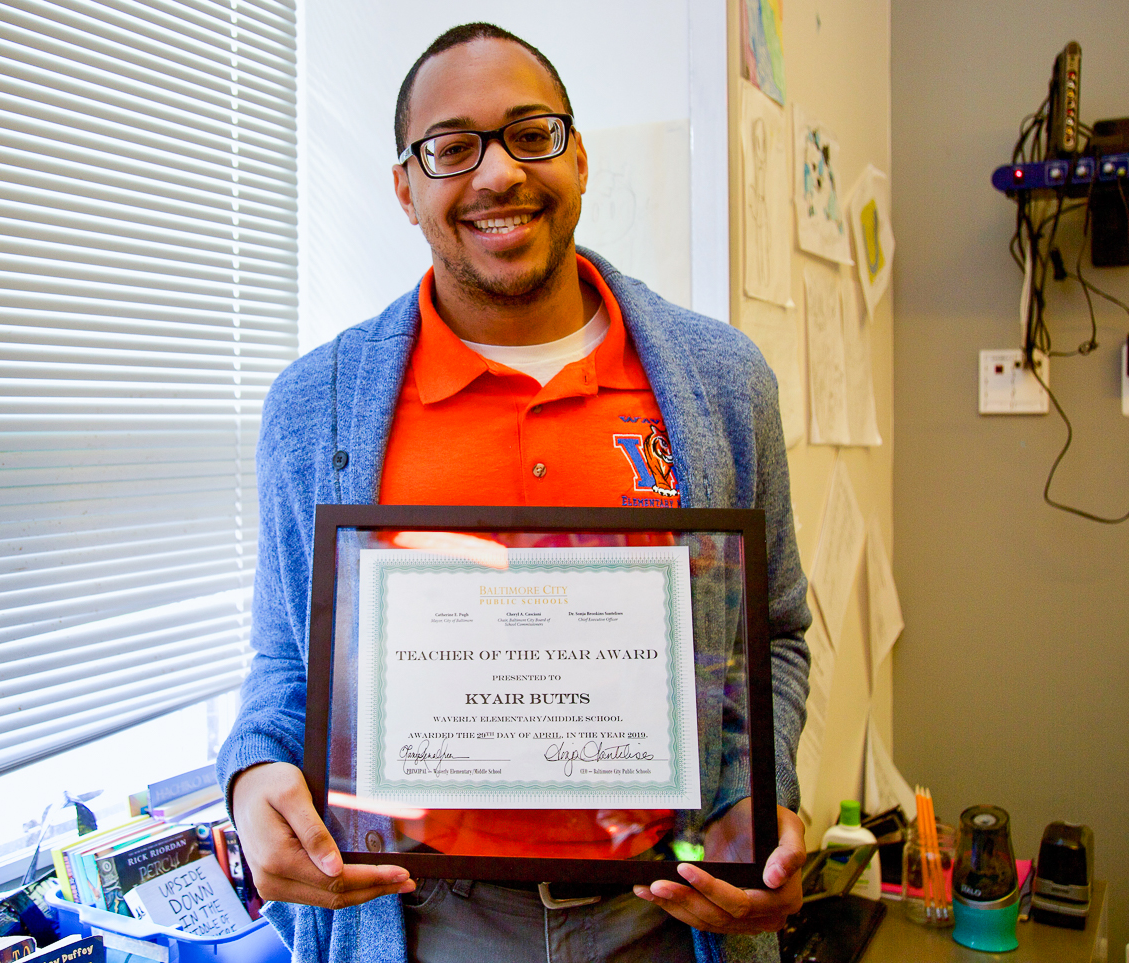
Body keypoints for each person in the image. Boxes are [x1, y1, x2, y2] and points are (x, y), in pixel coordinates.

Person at [215, 22, 813, 963]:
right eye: (453, 148)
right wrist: (252, 778)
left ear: (578, 157)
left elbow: (773, 632)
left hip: (664, 919)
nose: (499, 174)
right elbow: (286, 658)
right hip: (425, 923)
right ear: (405, 186)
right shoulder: (314, 408)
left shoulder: (722, 381)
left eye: (531, 133)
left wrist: (757, 801)